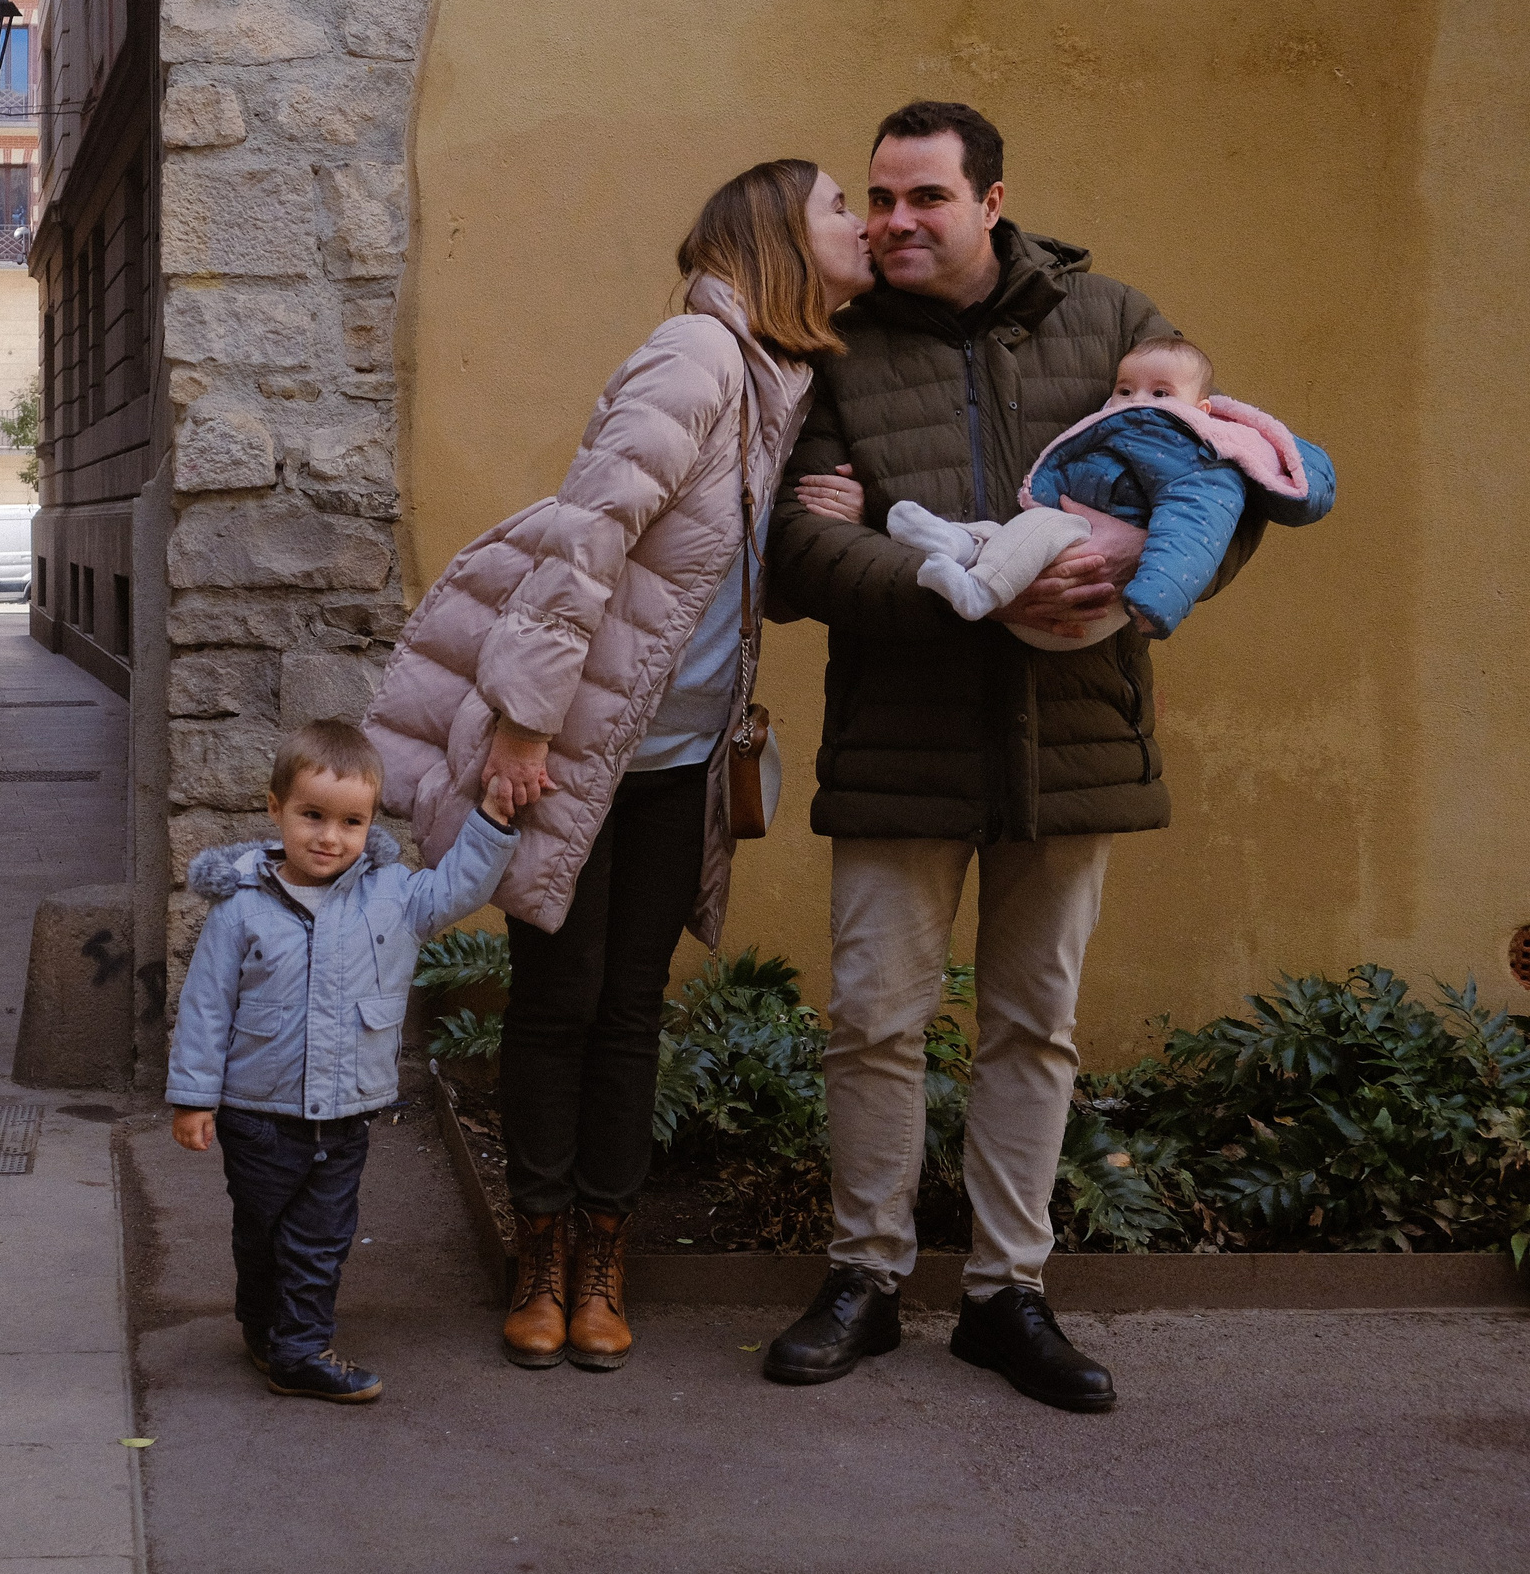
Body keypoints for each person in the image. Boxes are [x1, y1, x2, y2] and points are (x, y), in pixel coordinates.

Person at [763, 100, 1279, 1413]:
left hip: (1077, 729)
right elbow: (799, 547)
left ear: (991, 202)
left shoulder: (1113, 324)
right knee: (875, 1014)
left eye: (923, 197)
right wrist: (965, 583)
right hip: (902, 729)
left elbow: (1223, 490)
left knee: (1033, 1024)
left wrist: (1119, 564)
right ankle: (865, 1278)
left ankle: (1006, 1293)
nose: (891, 223)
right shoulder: (835, 345)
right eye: (877, 198)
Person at [365, 160, 876, 1371]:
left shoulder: (777, 378)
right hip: (576, 748)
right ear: (776, 239)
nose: (857, 226)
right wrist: (527, 719)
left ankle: (605, 1254)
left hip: (679, 754)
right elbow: (591, 529)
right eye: (837, 207)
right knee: (557, 1000)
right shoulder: (693, 358)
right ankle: (537, 1253)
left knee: (631, 1007)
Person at [166, 720, 520, 1405]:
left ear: (370, 823)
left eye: (350, 821)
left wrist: (494, 822)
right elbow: (207, 1006)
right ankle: (264, 1324)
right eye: (312, 816)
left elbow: (458, 888)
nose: (330, 836)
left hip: (345, 1115)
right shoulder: (241, 908)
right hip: (257, 1115)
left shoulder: (392, 894)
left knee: (319, 1239)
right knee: (262, 1230)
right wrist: (192, 1097)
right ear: (276, 810)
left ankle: (299, 1349)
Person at [800, 335, 1335, 645]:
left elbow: (1199, 524)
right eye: (1124, 390)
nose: (1134, 400)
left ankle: (975, 591)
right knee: (1018, 528)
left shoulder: (1191, 449)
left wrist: (1152, 590)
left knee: (1041, 525)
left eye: (1159, 392)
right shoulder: (848, 346)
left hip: (1089, 614)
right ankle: (956, 543)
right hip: (1045, 566)